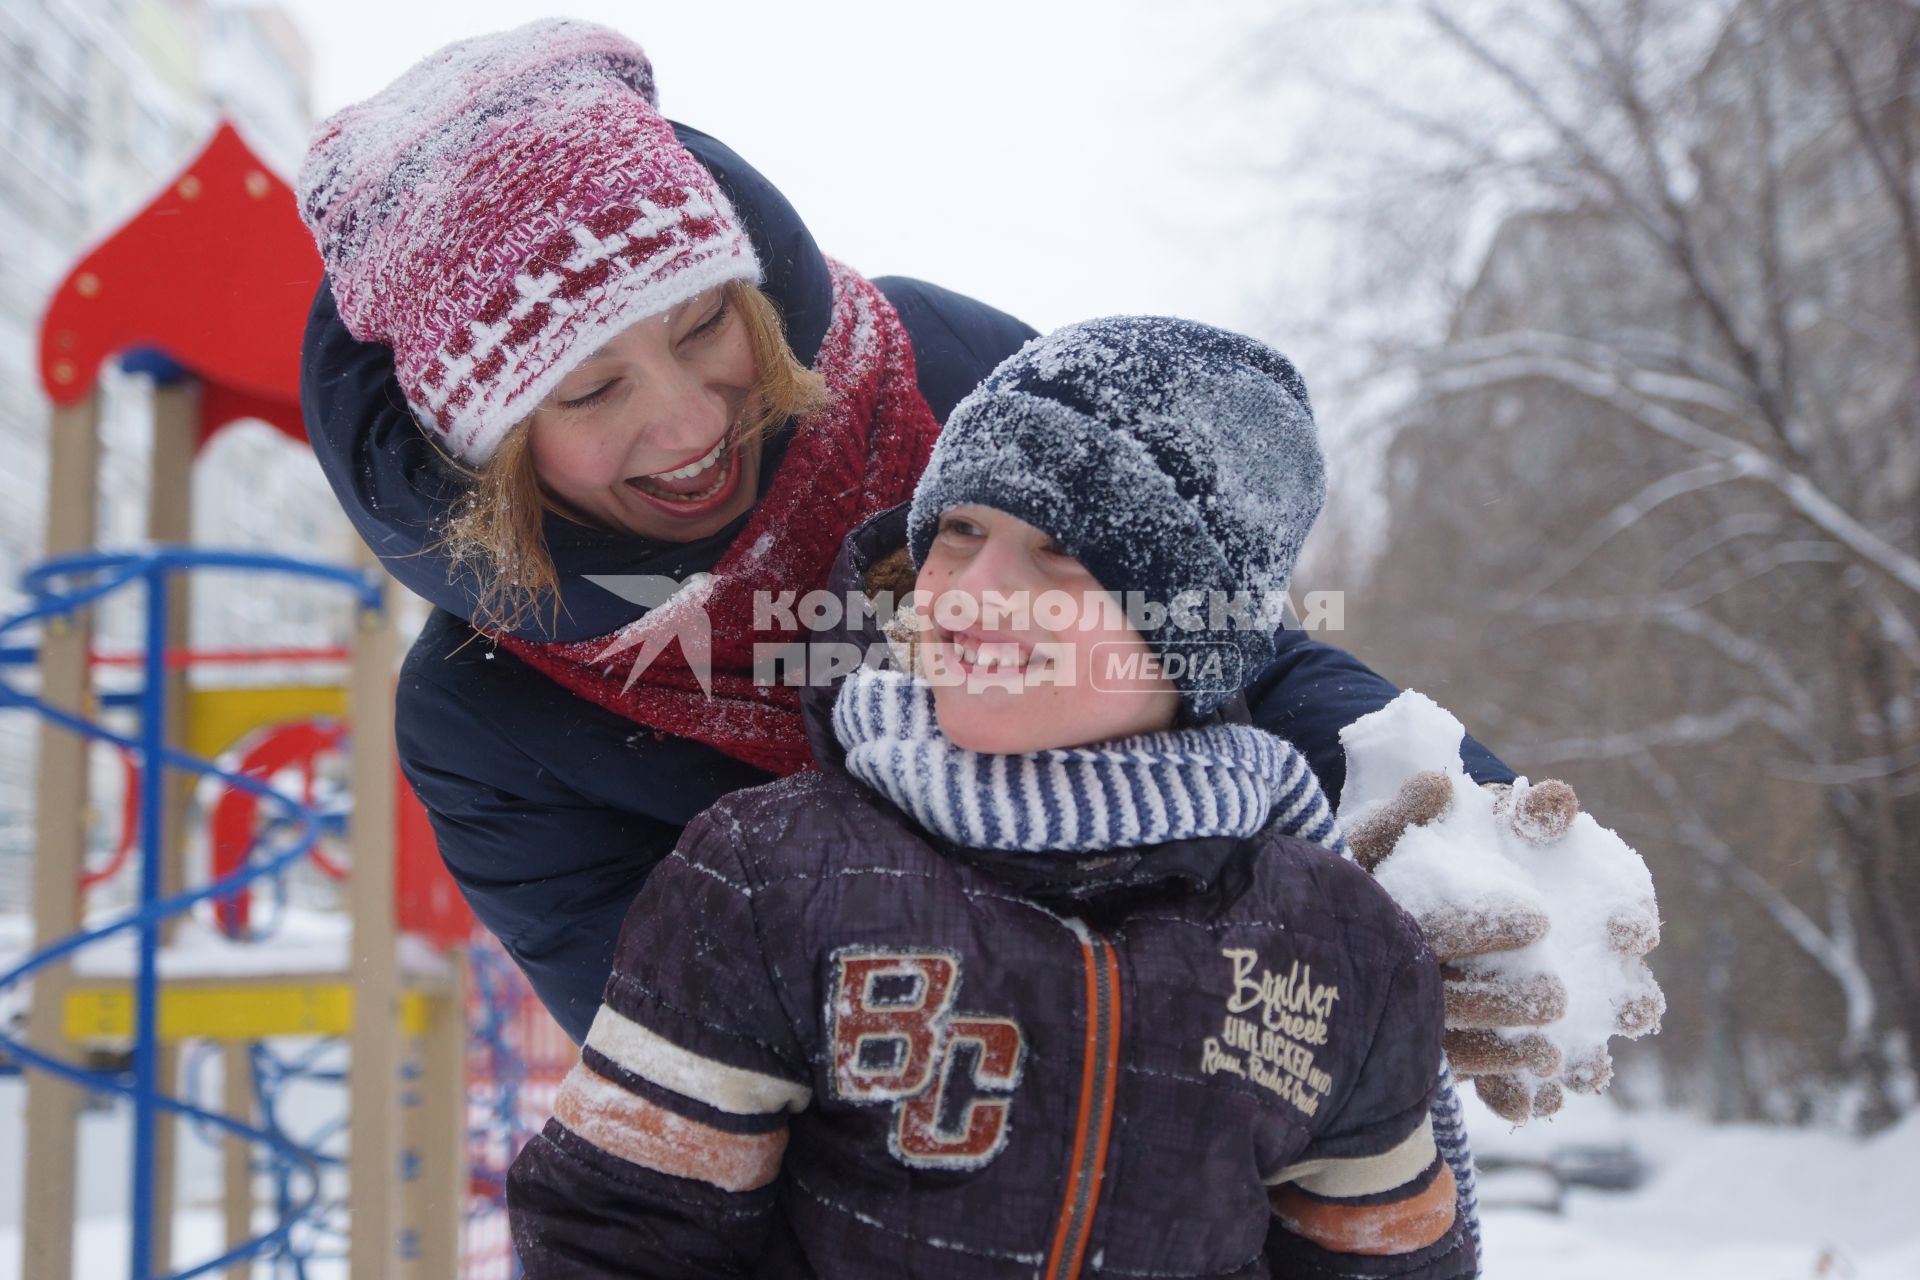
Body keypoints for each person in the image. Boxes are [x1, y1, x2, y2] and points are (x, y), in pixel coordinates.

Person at [297, 17, 1651, 1172]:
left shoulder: (940, 367)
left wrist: (1457, 834)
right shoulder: (490, 718)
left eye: (706, 322)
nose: (686, 417)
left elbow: (1216, 646)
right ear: (480, 445)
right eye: (590, 392)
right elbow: (694, 1050)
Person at [506, 317, 1474, 1278]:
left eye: (1062, 549)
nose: (975, 588)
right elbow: (614, 1237)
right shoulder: (768, 878)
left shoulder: (1340, 943)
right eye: (960, 529)